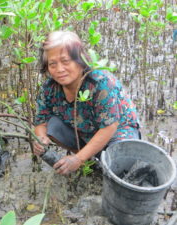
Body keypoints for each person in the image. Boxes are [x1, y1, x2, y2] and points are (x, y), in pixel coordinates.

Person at [33, 31, 140, 175]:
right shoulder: (49, 88)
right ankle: (92, 157)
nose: (59, 69)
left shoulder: (100, 83)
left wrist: (77, 159)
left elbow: (109, 127)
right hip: (85, 130)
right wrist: (40, 138)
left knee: (120, 161)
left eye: (65, 61)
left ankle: (96, 159)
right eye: (52, 64)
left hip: (118, 131)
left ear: (80, 61)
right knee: (52, 126)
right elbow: (41, 121)